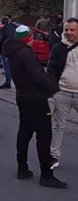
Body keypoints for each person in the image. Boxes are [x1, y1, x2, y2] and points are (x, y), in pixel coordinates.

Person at [3, 25, 66, 188]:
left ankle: (22, 168)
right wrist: (52, 83)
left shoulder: (14, 52)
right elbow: (39, 77)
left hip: (22, 97)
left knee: (24, 132)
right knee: (44, 136)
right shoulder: (26, 54)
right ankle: (46, 174)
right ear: (28, 39)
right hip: (36, 99)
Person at [47, 18, 78, 170]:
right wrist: (54, 91)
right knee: (58, 126)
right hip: (63, 93)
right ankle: (53, 157)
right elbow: (51, 70)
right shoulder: (58, 48)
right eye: (66, 30)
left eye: (72, 30)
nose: (68, 32)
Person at [0, 16, 16, 89]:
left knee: (6, 67)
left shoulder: (2, 30)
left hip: (5, 49)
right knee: (12, 66)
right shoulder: (13, 28)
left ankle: (8, 82)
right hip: (13, 49)